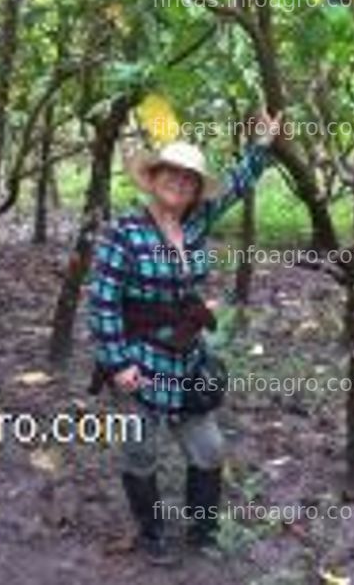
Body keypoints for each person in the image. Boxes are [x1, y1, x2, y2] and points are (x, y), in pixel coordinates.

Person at [86, 109, 283, 564]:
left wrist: (263, 145)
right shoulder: (124, 232)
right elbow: (103, 302)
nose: (179, 183)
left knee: (209, 449)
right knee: (140, 452)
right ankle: (151, 531)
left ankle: (203, 529)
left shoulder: (196, 222)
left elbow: (236, 182)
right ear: (153, 179)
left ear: (196, 188)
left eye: (189, 178)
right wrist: (118, 364)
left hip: (185, 356)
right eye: (170, 174)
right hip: (138, 358)